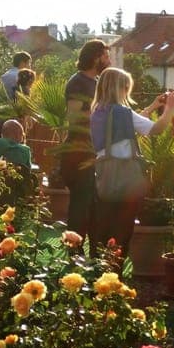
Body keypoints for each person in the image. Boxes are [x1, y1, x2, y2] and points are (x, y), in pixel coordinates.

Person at [89, 67, 174, 258]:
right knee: (122, 232)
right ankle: (115, 276)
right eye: (126, 87)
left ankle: (98, 274)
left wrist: (153, 106)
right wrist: (170, 108)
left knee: (105, 228)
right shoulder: (122, 112)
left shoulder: (98, 111)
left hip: (105, 177)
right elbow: (155, 129)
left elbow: (128, 126)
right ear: (119, 88)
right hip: (125, 179)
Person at [62, 39, 111, 256]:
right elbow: (73, 118)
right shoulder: (77, 83)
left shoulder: (99, 82)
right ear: (96, 57)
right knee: (80, 209)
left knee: (96, 208)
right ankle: (73, 256)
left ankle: (95, 256)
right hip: (78, 154)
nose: (108, 60)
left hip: (96, 154)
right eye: (106, 55)